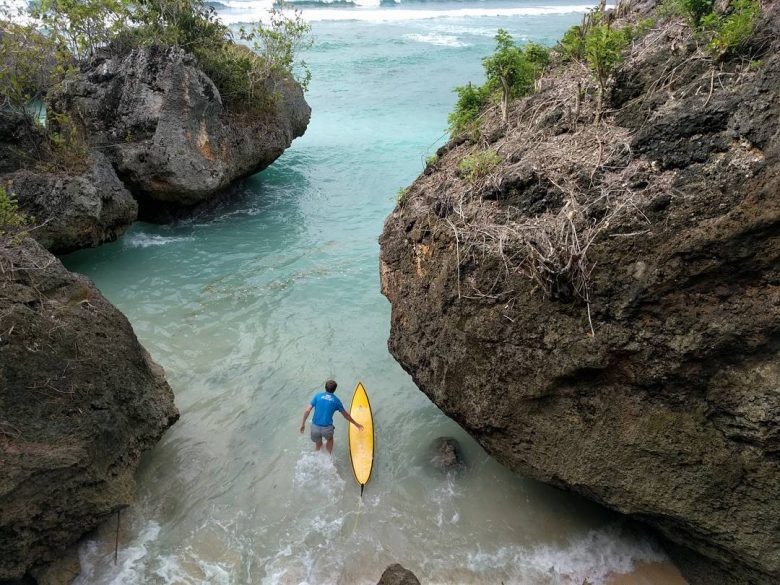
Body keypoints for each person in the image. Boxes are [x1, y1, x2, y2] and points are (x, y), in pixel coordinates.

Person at [300, 380, 363, 454]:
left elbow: (307, 410)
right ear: (335, 389)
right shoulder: (336, 401)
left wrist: (303, 424)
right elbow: (346, 415)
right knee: (330, 439)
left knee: (318, 445)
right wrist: (356, 424)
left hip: (315, 428)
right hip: (327, 429)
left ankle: (317, 455)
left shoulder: (318, 396)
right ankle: (328, 457)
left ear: (325, 387)